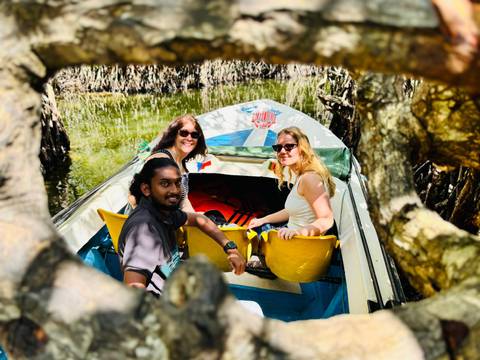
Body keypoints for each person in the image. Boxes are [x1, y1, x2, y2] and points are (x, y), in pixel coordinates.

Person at [119, 157, 245, 295]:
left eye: (178, 183)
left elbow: (198, 219)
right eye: (165, 183)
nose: (175, 190)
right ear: (146, 189)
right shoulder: (144, 230)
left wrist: (230, 248)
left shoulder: (164, 211)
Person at [248, 126, 336, 240]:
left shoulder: (310, 178)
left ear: (302, 148)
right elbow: (292, 211)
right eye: (278, 147)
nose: (282, 151)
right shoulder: (302, 176)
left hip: (297, 245)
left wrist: (298, 232)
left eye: (289, 146)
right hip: (290, 236)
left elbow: (326, 220)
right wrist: (263, 220)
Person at [147, 114, 207, 212]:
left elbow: (184, 201)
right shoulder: (161, 159)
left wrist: (196, 218)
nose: (189, 138)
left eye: (194, 135)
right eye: (184, 133)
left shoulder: (181, 163)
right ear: (174, 135)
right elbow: (133, 196)